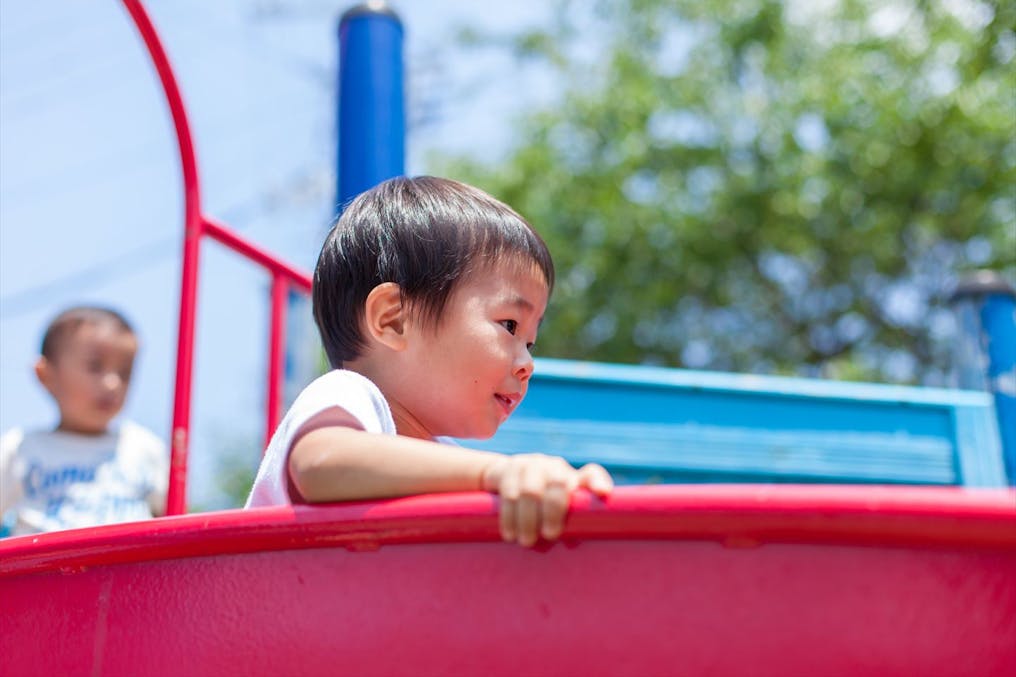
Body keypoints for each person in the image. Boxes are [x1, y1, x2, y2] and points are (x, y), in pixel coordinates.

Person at [246, 176, 613, 547]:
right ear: (394, 320)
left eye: (530, 343)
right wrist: (499, 473)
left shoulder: (444, 462)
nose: (527, 364)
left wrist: (564, 496)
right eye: (510, 325)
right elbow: (320, 463)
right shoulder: (349, 395)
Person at [0, 306, 168, 537]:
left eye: (125, 372)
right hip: (47, 570)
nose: (112, 384)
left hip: (128, 569)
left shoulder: (145, 448)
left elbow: (172, 525)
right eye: (95, 367)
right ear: (46, 375)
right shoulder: (19, 448)